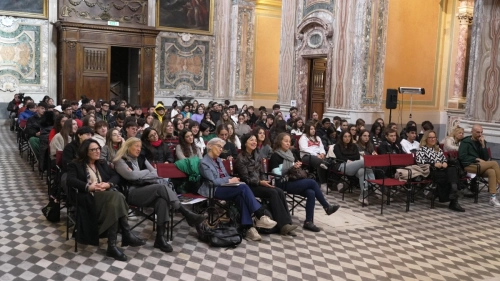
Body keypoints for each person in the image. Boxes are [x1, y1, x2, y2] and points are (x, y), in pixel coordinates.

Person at [113, 138, 206, 253]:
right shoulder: (120, 160)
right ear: (128, 147)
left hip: (147, 189)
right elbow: (131, 176)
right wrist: (146, 173)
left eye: (140, 147)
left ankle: (160, 238)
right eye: (136, 146)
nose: (139, 149)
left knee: (162, 200)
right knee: (161, 188)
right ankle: (186, 213)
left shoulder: (141, 158)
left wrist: (141, 175)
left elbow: (157, 173)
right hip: (131, 192)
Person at [67, 139, 145, 261]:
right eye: (93, 150)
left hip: (106, 197)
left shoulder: (101, 163)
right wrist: (89, 187)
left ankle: (112, 246)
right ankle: (126, 233)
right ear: (86, 151)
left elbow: (116, 176)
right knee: (118, 196)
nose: (97, 152)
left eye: (98, 149)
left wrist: (107, 184)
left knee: (113, 205)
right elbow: (70, 180)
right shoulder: (76, 164)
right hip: (88, 198)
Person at [198, 138, 278, 241]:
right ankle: (260, 215)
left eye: (222, 147)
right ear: (210, 146)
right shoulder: (204, 162)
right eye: (218, 146)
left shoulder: (218, 160)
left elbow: (226, 175)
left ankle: (248, 228)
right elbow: (214, 181)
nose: (220, 149)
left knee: (241, 195)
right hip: (213, 189)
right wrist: (230, 181)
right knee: (243, 187)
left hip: (225, 186)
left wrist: (231, 180)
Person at [269, 133, 339, 232]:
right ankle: (326, 207)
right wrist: (291, 168)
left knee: (311, 192)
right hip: (282, 183)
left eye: (289, 141)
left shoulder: (290, 153)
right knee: (312, 183)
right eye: (285, 141)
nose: (288, 143)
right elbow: (277, 174)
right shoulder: (275, 156)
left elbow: (291, 169)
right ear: (280, 142)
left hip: (292, 180)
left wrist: (296, 166)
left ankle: (308, 222)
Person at [234, 134, 298, 236]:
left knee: (279, 191)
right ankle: (283, 225)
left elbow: (262, 172)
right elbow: (245, 178)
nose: (254, 142)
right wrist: (259, 182)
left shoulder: (257, 155)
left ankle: (287, 223)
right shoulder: (240, 158)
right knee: (273, 193)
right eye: (251, 140)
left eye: (255, 140)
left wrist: (265, 181)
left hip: (260, 183)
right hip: (249, 186)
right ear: (245, 142)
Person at [416, 130, 464, 212]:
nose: (432, 139)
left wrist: (445, 162)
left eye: (434, 137)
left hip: (442, 170)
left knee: (451, 169)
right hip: (431, 170)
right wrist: (433, 164)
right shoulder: (422, 149)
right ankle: (454, 198)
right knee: (450, 176)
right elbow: (419, 161)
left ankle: (453, 193)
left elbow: (444, 160)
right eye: (430, 137)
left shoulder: (438, 149)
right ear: (426, 139)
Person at [459, 124, 500, 207]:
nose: (480, 134)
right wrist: (476, 159)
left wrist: (483, 146)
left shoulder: (482, 141)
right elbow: (462, 157)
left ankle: (492, 198)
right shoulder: (465, 142)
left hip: (480, 166)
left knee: (491, 171)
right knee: (494, 163)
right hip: (469, 166)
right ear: (472, 132)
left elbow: (485, 158)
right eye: (478, 132)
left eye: (481, 132)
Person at [334, 131, 376, 205]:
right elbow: (339, 157)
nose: (347, 138)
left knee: (362, 171)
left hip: (355, 166)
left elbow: (356, 156)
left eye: (349, 136)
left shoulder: (354, 146)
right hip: (343, 165)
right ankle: (374, 184)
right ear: (341, 137)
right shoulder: (337, 146)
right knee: (365, 161)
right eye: (345, 136)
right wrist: (348, 159)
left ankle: (363, 196)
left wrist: (350, 159)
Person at [299, 122, 328, 189]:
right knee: (321, 163)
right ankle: (323, 184)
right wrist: (316, 155)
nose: (313, 130)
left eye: (314, 129)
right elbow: (305, 149)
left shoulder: (317, 138)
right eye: (311, 129)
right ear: (307, 130)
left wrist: (322, 153)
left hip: (318, 155)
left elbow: (321, 147)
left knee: (329, 161)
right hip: (307, 156)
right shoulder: (303, 138)